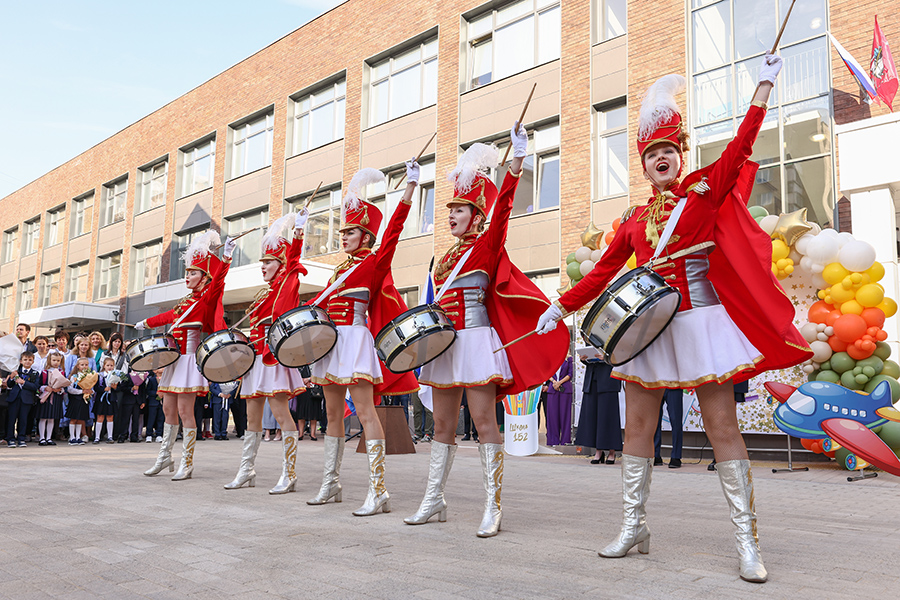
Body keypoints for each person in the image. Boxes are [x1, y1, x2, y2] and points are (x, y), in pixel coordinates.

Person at [536, 57, 813, 583]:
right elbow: (603, 275)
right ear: (641, 165)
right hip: (648, 331)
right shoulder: (634, 221)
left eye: (667, 150)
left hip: (702, 324)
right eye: (650, 153)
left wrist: (764, 88)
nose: (660, 158)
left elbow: (739, 150)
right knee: (636, 427)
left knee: (721, 428)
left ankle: (747, 541)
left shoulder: (704, 192)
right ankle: (634, 528)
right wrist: (561, 306)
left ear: (680, 155)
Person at [408, 127, 569, 537]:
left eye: (459, 210)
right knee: (442, 427)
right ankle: (434, 499)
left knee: (483, 422)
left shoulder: (486, 243)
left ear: (477, 215)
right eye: (449, 210)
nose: (450, 216)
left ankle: (492, 507)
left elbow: (505, 209)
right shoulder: (443, 258)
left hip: (477, 342)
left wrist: (515, 161)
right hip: (444, 345)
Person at [306, 162, 419, 516]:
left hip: (355, 340)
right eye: (343, 232)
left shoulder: (374, 262)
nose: (343, 237)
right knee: (333, 413)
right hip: (332, 343)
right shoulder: (339, 270)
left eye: (351, 233)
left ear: (366, 237)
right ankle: (331, 483)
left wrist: (410, 191)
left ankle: (378, 491)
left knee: (367, 413)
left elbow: (395, 233)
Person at [137, 230, 234, 480]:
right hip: (173, 360)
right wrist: (146, 322)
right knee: (168, 409)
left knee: (185, 411)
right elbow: (168, 316)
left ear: (204, 276)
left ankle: (187, 462)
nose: (187, 276)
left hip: (190, 361)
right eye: (187, 272)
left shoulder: (207, 298)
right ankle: (165, 457)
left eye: (192, 272)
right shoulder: (186, 301)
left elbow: (220, 282)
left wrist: (226, 257)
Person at [224, 209, 309, 492]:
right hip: (256, 361)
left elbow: (295, 259)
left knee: (282, 414)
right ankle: (247, 470)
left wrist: (298, 230)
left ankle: (290, 473)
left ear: (281, 263)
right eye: (262, 262)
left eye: (268, 262)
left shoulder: (289, 282)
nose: (262, 266)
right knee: (250, 417)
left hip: (275, 360)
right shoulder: (263, 293)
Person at [574, 354, 622, 465]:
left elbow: (621, 356)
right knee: (593, 415)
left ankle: (612, 451)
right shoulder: (590, 337)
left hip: (608, 379)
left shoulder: (613, 336)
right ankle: (598, 451)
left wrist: (607, 358)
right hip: (592, 378)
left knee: (609, 416)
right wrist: (584, 359)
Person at [6, 351, 41, 447]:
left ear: (33, 361)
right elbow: (9, 384)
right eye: (25, 360)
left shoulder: (35, 373)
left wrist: (24, 383)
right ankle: (11, 439)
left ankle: (22, 438)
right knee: (12, 419)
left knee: (23, 419)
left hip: (26, 399)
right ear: (21, 361)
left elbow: (35, 386)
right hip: (14, 398)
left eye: (30, 360)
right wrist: (11, 378)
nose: (27, 362)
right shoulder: (15, 371)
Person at [37, 350, 67, 446]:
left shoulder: (62, 372)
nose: (56, 362)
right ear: (49, 360)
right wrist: (45, 388)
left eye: (58, 361)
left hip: (56, 397)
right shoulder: (44, 372)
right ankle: (42, 438)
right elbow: (39, 384)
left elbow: (63, 386)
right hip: (45, 396)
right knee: (43, 417)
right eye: (54, 360)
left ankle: (49, 437)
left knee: (52, 418)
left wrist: (59, 389)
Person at [65, 357, 95, 445]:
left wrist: (90, 392)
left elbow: (92, 388)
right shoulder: (74, 377)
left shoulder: (90, 376)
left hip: (84, 400)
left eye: (86, 365)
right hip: (75, 400)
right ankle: (72, 437)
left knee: (80, 418)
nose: (84, 366)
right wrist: (81, 391)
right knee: (74, 418)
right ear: (78, 366)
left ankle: (78, 437)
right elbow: (70, 389)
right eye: (82, 365)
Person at [546, 353, 573, 446]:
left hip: (565, 389)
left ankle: (565, 440)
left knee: (565, 415)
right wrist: (554, 382)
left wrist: (560, 382)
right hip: (552, 389)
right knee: (552, 416)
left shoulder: (569, 359)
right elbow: (546, 372)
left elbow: (570, 374)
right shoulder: (550, 357)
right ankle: (553, 440)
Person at [654, 389, 683, 468]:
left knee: (676, 420)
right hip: (656, 384)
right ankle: (655, 454)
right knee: (654, 420)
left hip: (674, 384)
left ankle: (676, 456)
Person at [93, 356, 118, 444]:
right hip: (101, 399)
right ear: (104, 366)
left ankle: (110, 436)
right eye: (108, 365)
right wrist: (103, 389)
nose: (110, 367)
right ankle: (97, 437)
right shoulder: (100, 376)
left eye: (111, 365)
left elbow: (117, 388)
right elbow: (96, 388)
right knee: (100, 417)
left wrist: (115, 387)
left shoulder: (115, 375)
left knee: (110, 417)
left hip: (111, 399)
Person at [294, 365, 322, 441]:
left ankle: (313, 434)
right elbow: (296, 374)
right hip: (302, 388)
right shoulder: (300, 363)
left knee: (314, 412)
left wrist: (309, 379)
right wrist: (304, 382)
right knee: (301, 411)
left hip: (315, 390)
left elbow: (320, 374)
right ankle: (301, 434)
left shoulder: (316, 363)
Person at [145, 369, 163, 442]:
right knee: (151, 419)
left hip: (162, 402)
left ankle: (159, 434)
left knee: (160, 419)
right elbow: (148, 391)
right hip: (153, 402)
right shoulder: (152, 380)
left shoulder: (165, 379)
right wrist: (156, 393)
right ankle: (149, 434)